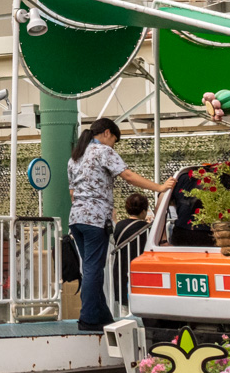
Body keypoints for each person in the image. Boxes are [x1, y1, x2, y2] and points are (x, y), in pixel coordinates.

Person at [67, 120, 173, 333]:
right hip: (95, 220)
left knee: (90, 268)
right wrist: (160, 187)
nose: (114, 145)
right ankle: (87, 319)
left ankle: (103, 316)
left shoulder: (75, 157)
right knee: (93, 269)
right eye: (115, 140)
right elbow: (128, 176)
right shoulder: (104, 151)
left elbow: (72, 193)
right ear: (107, 133)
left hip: (76, 219)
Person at [111, 194, 152, 310]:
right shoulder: (147, 228)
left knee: (124, 306)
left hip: (121, 268)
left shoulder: (119, 225)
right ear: (143, 211)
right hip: (140, 270)